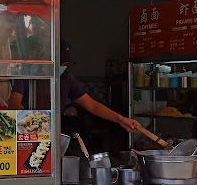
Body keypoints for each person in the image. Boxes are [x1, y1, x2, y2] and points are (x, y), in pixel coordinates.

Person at [9, 41, 143, 135]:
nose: (63, 67)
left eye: (66, 64)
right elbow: (14, 103)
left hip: (52, 132)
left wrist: (121, 119)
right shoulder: (27, 73)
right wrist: (33, 125)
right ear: (48, 60)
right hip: (26, 133)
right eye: (60, 63)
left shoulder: (66, 78)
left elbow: (92, 105)